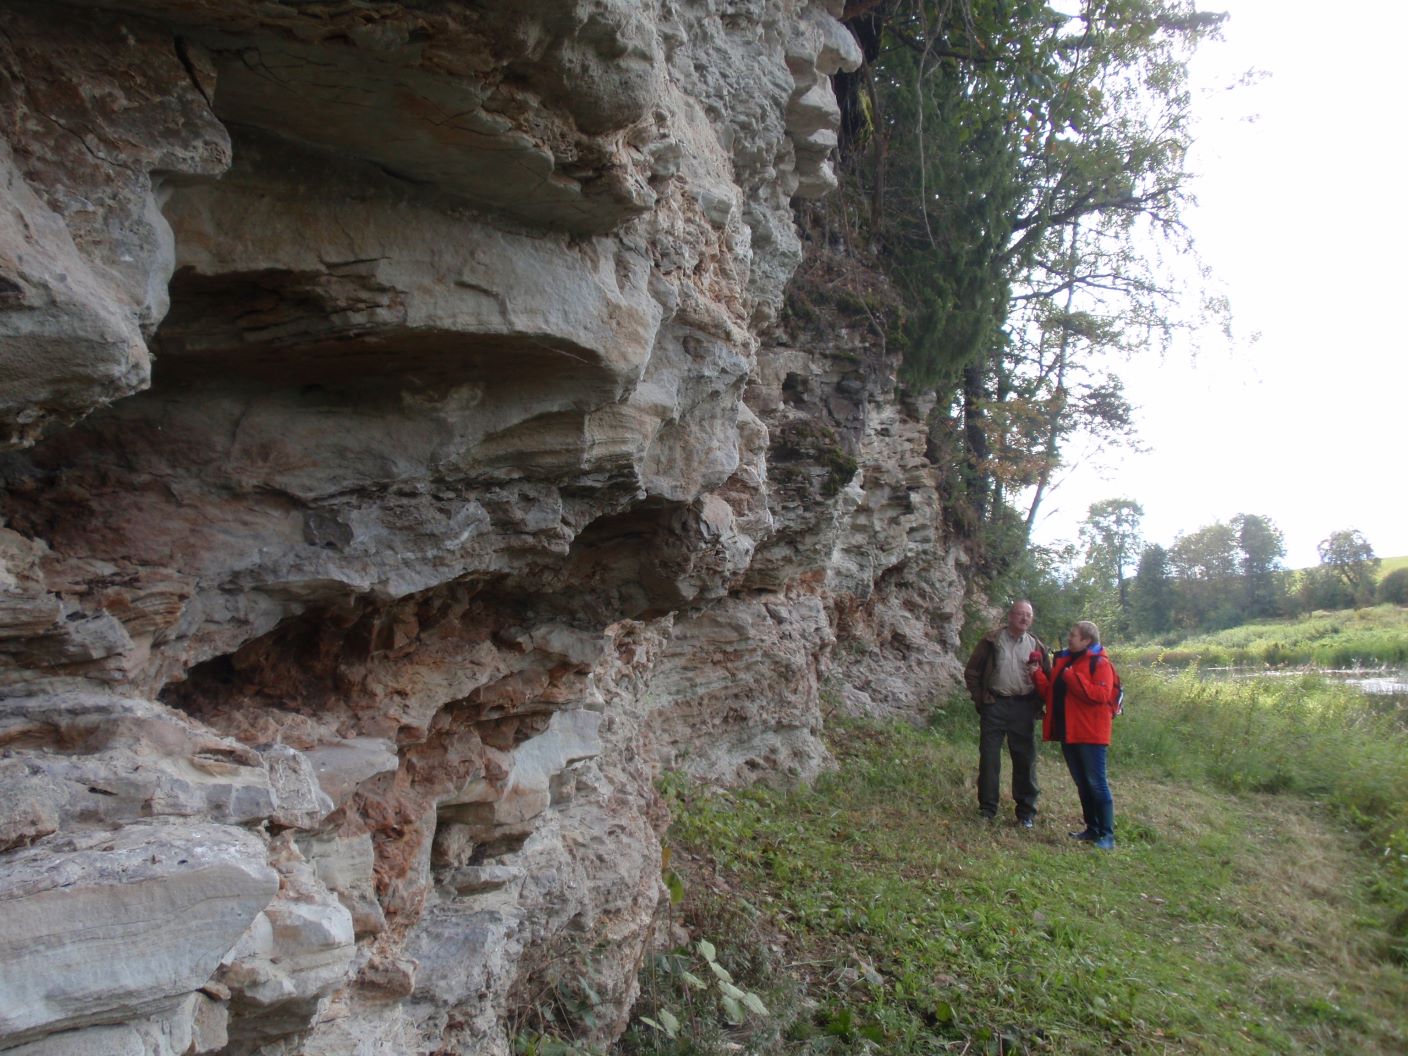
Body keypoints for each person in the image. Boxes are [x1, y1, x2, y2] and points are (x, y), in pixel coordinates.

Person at [1029, 620, 1121, 850]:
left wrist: (1073, 678)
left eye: (1074, 635)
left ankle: (1107, 835)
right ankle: (1092, 828)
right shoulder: (1067, 660)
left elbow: (1100, 694)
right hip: (1069, 732)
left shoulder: (1100, 663)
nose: (1069, 638)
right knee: (1082, 783)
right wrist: (1037, 674)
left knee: (1096, 783)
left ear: (1087, 640)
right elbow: (1052, 693)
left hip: (1091, 734)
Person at [963, 600, 1050, 827]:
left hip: (1023, 707)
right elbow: (972, 671)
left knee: (1025, 759)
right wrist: (980, 698)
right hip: (995, 704)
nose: (1024, 618)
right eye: (1020, 614)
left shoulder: (1036, 646)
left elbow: (1048, 680)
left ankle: (1026, 813)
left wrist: (1037, 704)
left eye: (1028, 615)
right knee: (990, 758)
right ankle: (987, 809)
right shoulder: (991, 640)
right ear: (1010, 616)